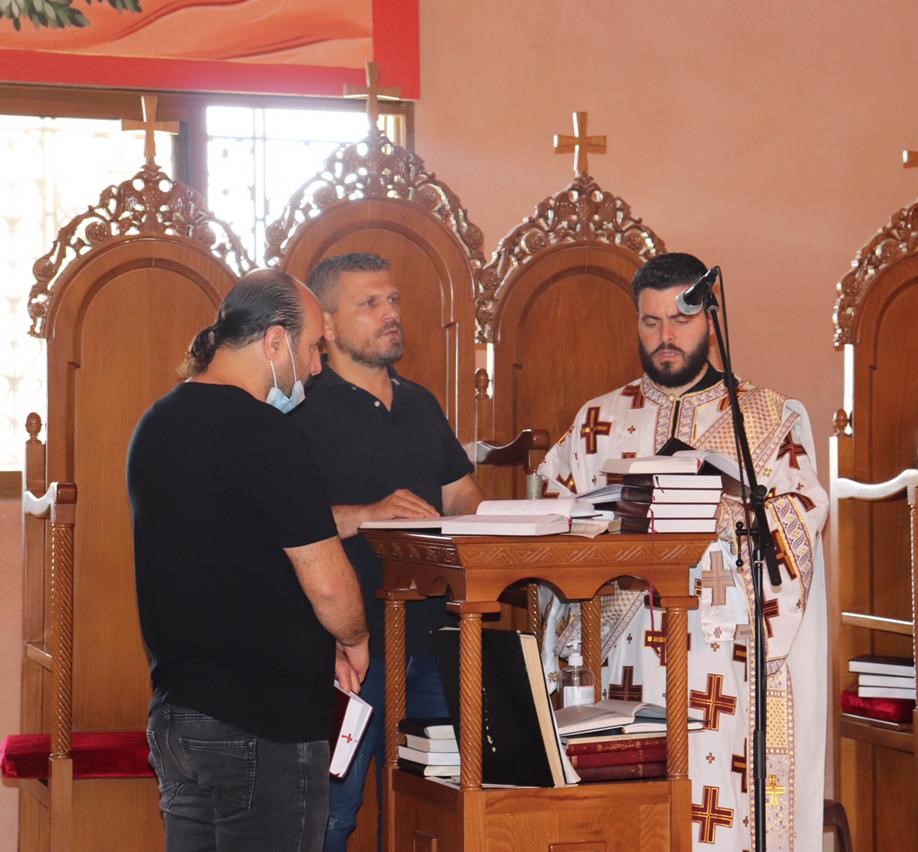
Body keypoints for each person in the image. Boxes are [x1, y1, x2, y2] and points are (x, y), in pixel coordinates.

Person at [538, 253, 827, 851]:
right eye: (650, 322)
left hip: (724, 656)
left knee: (716, 807)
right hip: (618, 660)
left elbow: (800, 517)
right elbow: (550, 525)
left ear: (710, 322)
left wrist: (722, 513)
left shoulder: (766, 418)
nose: (665, 336)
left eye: (680, 320)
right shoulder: (596, 420)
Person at [127, 268, 369, 851]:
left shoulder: (155, 423)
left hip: (179, 716)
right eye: (314, 347)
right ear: (275, 341)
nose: (317, 367)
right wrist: (355, 637)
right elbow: (329, 585)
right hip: (264, 722)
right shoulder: (266, 433)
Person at [292, 252, 484, 852]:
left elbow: (462, 494)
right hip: (347, 647)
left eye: (393, 299)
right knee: (331, 813)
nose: (390, 313)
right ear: (326, 323)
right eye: (369, 303)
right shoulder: (298, 407)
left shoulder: (420, 403)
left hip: (435, 638)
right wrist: (367, 514)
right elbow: (273, 521)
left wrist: (493, 522)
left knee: (427, 810)